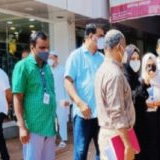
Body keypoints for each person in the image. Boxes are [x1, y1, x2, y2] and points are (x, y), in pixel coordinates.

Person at [12, 31, 57, 160]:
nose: (46, 50)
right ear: (32, 47)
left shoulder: (47, 67)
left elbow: (51, 93)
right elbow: (17, 97)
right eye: (42, 48)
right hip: (33, 128)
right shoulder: (23, 66)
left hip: (50, 126)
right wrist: (22, 127)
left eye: (47, 47)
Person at [64, 23, 105, 160]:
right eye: (100, 36)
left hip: (100, 115)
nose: (102, 39)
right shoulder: (76, 56)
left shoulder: (102, 58)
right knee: (81, 153)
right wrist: (80, 103)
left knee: (103, 152)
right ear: (91, 36)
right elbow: (67, 81)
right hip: (83, 115)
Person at [95, 29, 136, 160]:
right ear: (119, 47)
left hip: (109, 134)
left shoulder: (102, 69)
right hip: (116, 137)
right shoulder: (114, 74)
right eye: (124, 46)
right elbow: (117, 113)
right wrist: (128, 145)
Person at [122, 44, 148, 160]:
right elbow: (128, 100)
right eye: (132, 59)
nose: (136, 62)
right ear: (126, 60)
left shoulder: (138, 79)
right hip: (128, 130)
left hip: (141, 128)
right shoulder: (122, 79)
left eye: (138, 59)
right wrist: (141, 88)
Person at [140, 53, 160, 160]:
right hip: (145, 120)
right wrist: (146, 82)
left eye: (153, 65)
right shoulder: (141, 80)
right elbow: (138, 100)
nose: (151, 68)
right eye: (148, 65)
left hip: (158, 119)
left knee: (158, 146)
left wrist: (158, 103)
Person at [48, 51, 71, 148]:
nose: (50, 60)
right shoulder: (47, 70)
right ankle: (52, 139)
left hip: (61, 99)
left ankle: (63, 139)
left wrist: (67, 99)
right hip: (50, 99)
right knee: (51, 120)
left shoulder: (63, 70)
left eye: (52, 57)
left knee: (61, 120)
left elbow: (67, 86)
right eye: (49, 58)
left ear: (56, 58)